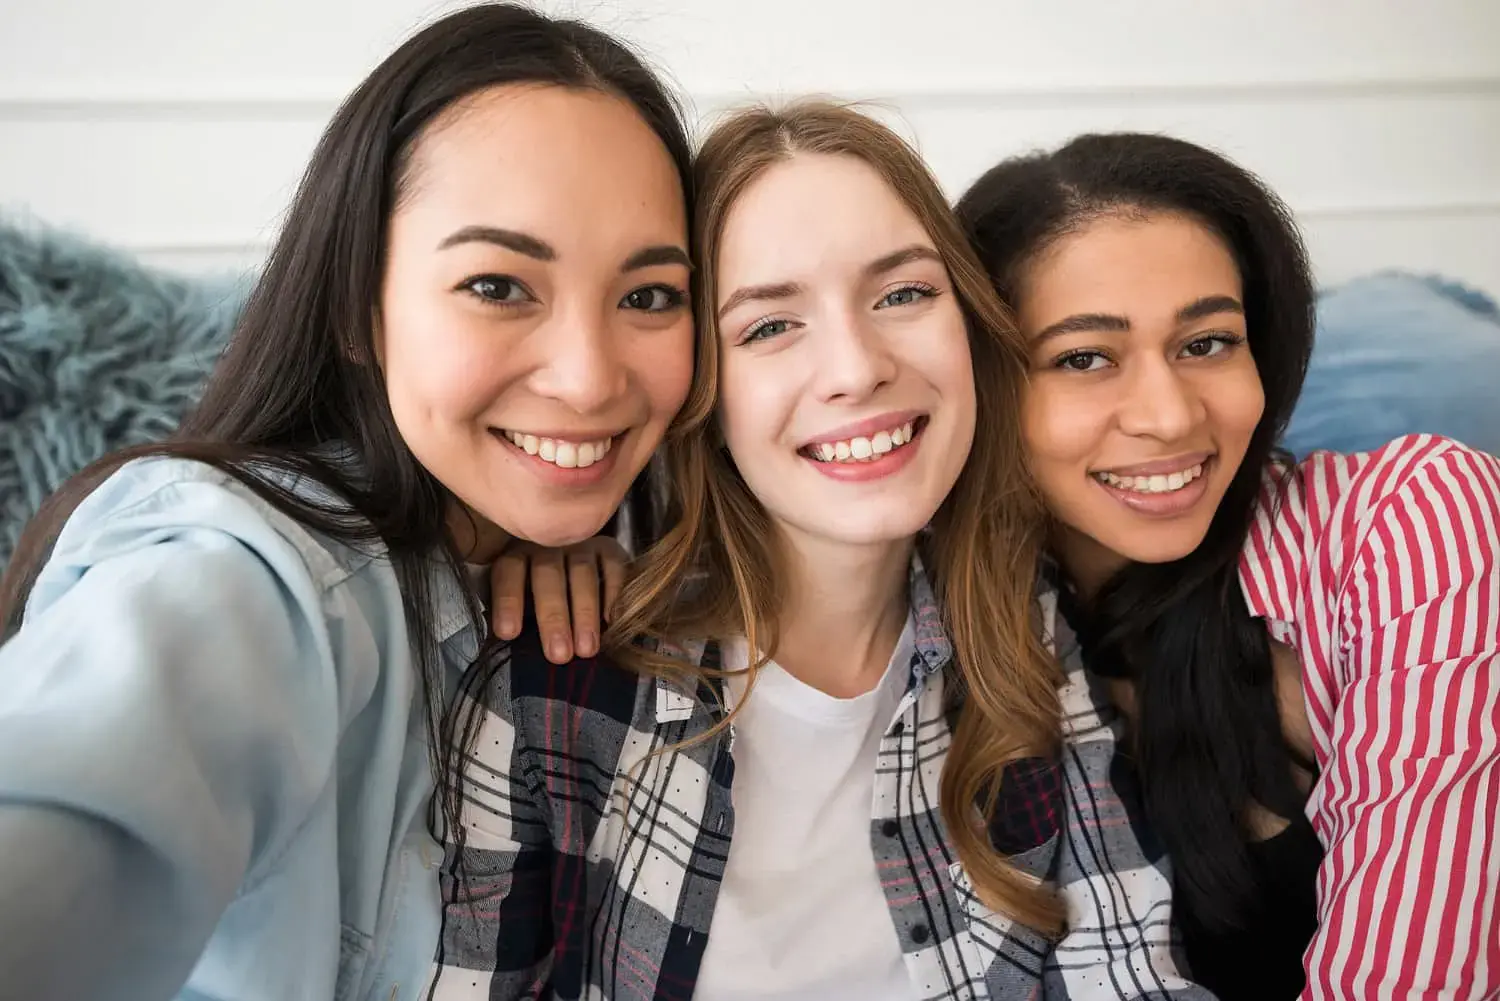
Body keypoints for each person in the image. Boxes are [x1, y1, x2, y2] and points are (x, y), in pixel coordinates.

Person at [0, 5, 697, 999]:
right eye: (499, 285)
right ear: (357, 307)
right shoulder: (250, 572)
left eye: (649, 295)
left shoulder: (627, 573)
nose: (588, 380)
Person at [457, 100, 1211, 1001]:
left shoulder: (1021, 623)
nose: (857, 367)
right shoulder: (556, 679)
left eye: (903, 294)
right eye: (770, 325)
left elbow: (1125, 965)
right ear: (701, 389)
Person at [955, 133, 1500, 1000]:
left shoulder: (1415, 516)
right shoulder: (955, 635)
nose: (1171, 417)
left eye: (1207, 342)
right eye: (1084, 357)